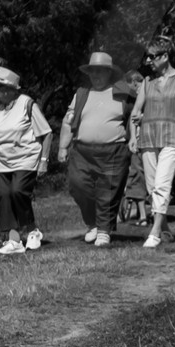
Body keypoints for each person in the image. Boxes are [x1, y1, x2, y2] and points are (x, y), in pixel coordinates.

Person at [0, 66, 51, 255]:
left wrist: (44, 160)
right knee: (4, 197)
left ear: (11, 90)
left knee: (18, 191)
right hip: (2, 162)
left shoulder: (27, 104)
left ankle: (32, 230)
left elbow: (47, 133)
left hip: (26, 159)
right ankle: (14, 241)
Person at [57, 51, 134, 248]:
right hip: (82, 150)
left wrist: (134, 140)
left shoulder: (123, 94)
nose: (96, 75)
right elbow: (68, 122)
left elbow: (134, 120)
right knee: (78, 186)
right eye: (92, 72)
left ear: (109, 73)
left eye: (100, 71)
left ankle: (103, 231)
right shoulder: (82, 93)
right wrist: (63, 147)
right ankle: (92, 223)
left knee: (108, 192)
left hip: (113, 151)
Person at [128, 36, 175, 248]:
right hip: (148, 137)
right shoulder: (147, 82)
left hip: (174, 137)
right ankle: (165, 227)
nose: (148, 61)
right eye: (147, 57)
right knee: (151, 187)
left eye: (152, 56)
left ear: (165, 56)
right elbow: (135, 112)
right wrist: (133, 135)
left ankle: (155, 231)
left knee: (162, 183)